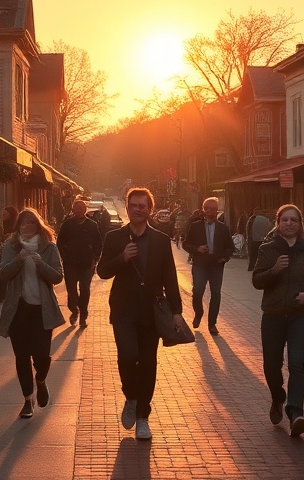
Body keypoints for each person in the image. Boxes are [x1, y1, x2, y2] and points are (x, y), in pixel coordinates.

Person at [96, 187, 182, 441]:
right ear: (126, 206)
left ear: (149, 209)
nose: (137, 209)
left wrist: (176, 311)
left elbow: (170, 277)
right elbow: (102, 271)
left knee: (148, 363)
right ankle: (131, 397)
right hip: (123, 310)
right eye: (133, 205)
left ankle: (143, 416)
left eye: (142, 206)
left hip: (151, 312)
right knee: (127, 355)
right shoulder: (114, 238)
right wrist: (121, 258)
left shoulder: (161, 240)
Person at [252, 204, 304, 438]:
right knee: (271, 366)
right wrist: (273, 270)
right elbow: (256, 281)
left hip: (299, 316)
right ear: (278, 222)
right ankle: (278, 397)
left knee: (296, 364)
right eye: (285, 220)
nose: (289, 224)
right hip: (272, 315)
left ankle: (296, 413)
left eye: (294, 220)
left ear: (300, 224)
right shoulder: (267, 249)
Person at [0, 207, 65, 418]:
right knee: (22, 357)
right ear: (18, 226)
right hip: (18, 310)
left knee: (42, 356)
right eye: (23, 223)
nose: (27, 226)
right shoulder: (11, 246)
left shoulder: (49, 247)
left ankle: (41, 381)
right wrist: (19, 259)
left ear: (38, 225)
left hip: (41, 310)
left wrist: (39, 262)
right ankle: (27, 400)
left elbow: (57, 277)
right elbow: (3, 274)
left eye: (31, 223)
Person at [182, 196, 234, 335]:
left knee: (216, 294)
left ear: (217, 210)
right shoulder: (195, 226)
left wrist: (224, 258)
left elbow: (230, 247)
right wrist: (197, 249)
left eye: (214, 209)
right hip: (200, 265)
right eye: (208, 209)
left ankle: (212, 324)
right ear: (203, 210)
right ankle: (198, 313)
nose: (211, 211)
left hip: (216, 266)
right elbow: (185, 244)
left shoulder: (223, 228)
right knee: (197, 292)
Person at [56, 199, 102, 328]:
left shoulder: (92, 225)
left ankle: (83, 314)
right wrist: (64, 256)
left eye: (81, 208)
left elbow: (98, 243)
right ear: (73, 209)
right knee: (71, 290)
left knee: (85, 288)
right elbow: (60, 242)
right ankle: (74, 310)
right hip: (70, 263)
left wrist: (95, 258)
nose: (78, 210)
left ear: (85, 210)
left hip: (87, 263)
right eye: (76, 207)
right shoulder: (67, 225)